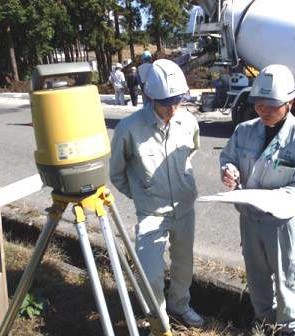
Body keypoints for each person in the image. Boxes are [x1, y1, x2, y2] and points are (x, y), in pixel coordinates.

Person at [219, 64, 295, 336]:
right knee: (256, 275)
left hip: (281, 224)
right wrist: (228, 171)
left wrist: (275, 198)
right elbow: (228, 157)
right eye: (258, 104)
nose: (263, 110)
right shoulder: (244, 130)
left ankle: (289, 329)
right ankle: (264, 321)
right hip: (250, 219)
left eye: (271, 105)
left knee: (287, 277)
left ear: (290, 102)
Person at [110, 59, 203, 328]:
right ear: (149, 97)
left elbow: (191, 152)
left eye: (178, 101)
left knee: (183, 264)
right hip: (151, 213)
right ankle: (159, 321)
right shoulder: (129, 129)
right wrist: (143, 194)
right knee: (150, 273)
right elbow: (117, 172)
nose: (173, 109)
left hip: (184, 209)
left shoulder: (188, 122)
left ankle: (179, 305)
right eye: (166, 103)